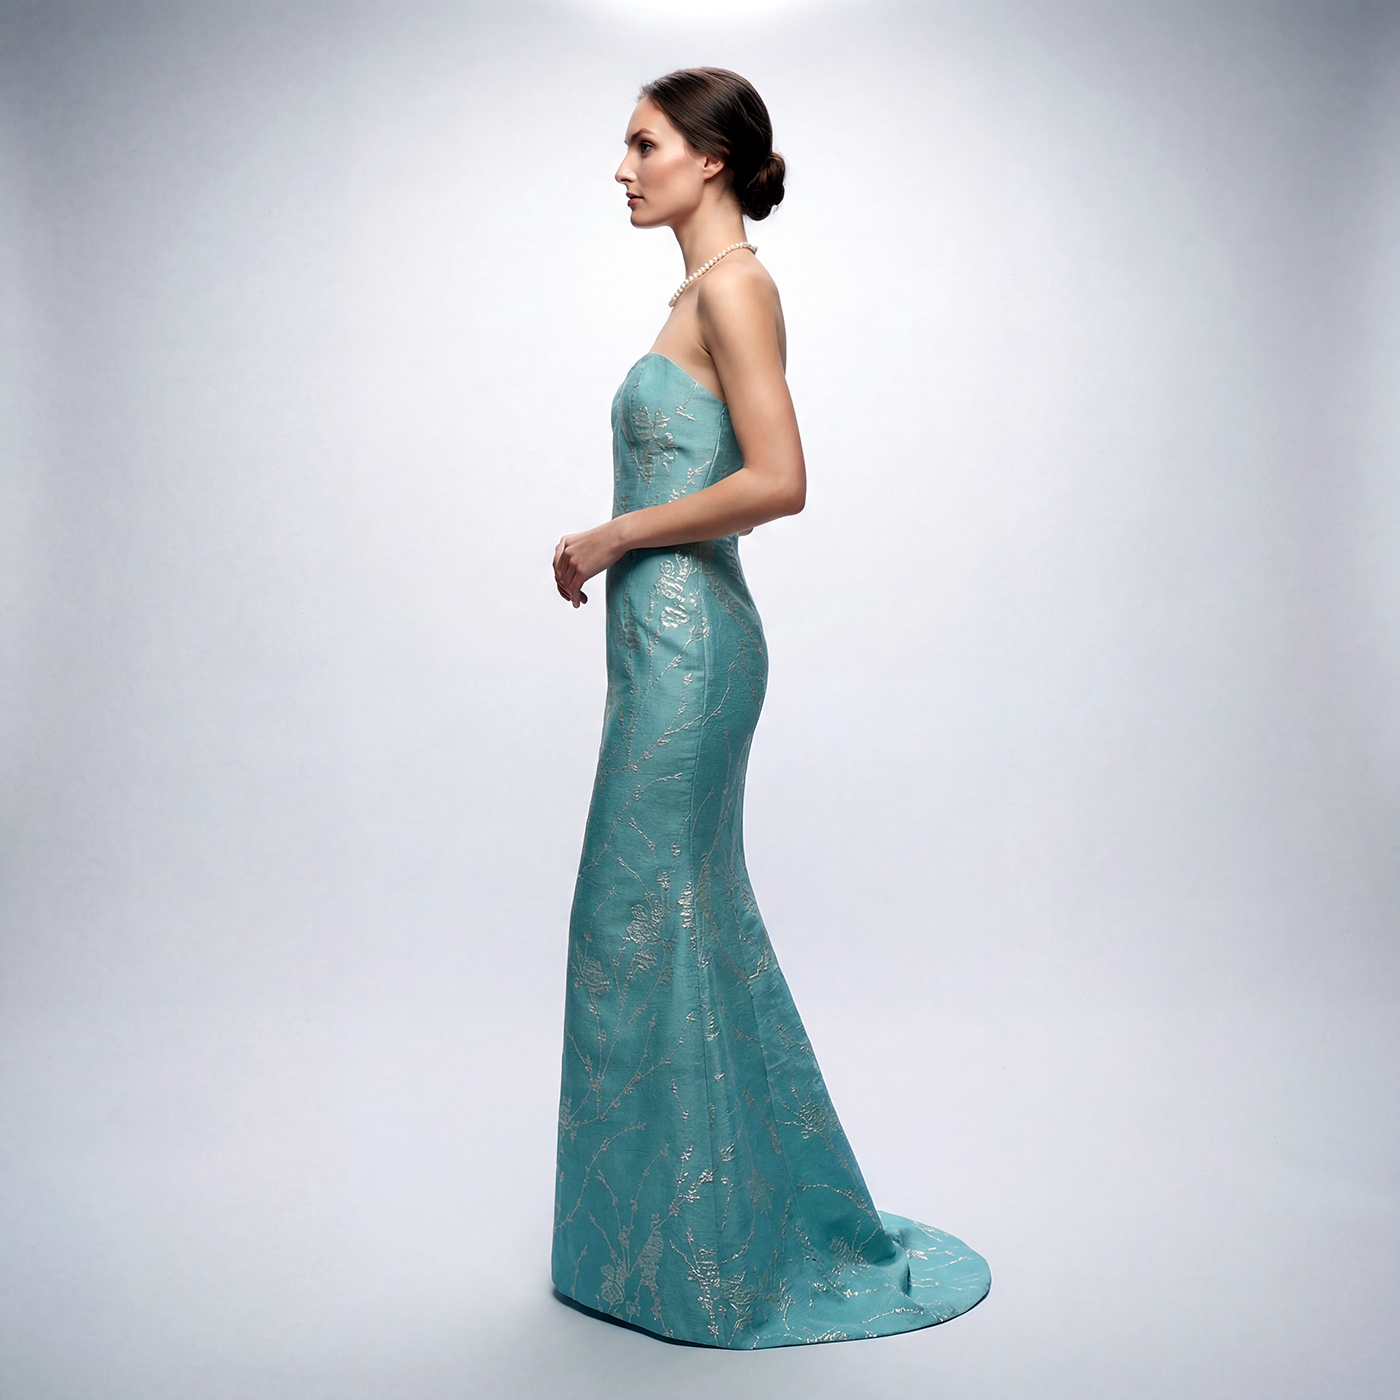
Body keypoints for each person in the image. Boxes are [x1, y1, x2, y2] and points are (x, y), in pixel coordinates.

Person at [550, 67, 990, 1348]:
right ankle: (668, 1240)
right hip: (660, 645)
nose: (622, 168)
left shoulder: (736, 286)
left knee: (642, 917)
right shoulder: (690, 293)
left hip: (694, 648)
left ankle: (697, 1257)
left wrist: (613, 532)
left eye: (643, 144)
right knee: (664, 920)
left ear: (710, 157)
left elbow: (781, 477)